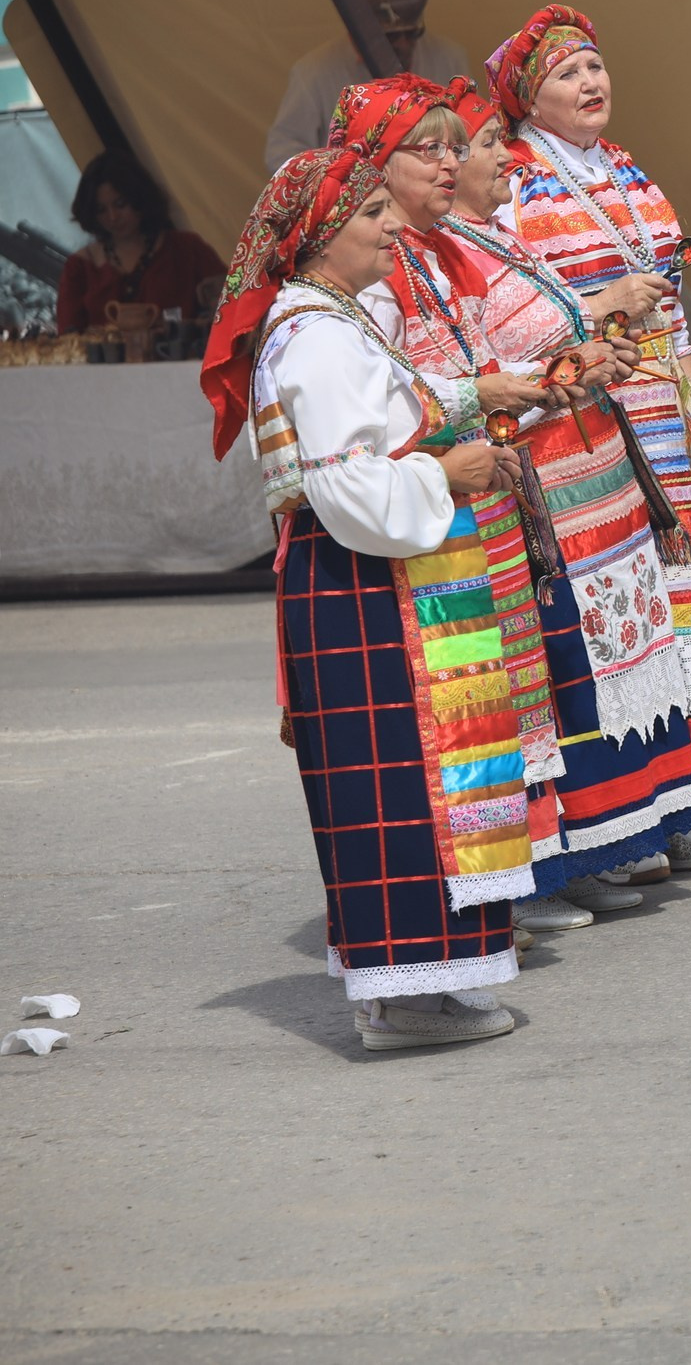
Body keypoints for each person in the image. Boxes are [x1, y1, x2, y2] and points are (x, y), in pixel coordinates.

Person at [334, 76, 691, 930]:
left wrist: (571, 368)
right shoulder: (377, 276)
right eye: (428, 148)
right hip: (448, 494)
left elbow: (488, 358)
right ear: (372, 168)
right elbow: (409, 394)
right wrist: (529, 377)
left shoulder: (455, 244)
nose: (450, 162)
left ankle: (539, 864)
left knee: (519, 684)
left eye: (451, 145)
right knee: (481, 689)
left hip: (502, 476)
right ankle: (506, 882)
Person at [202, 148, 536, 1050]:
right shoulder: (315, 334)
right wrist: (445, 469)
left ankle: (434, 979)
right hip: (362, 576)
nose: (394, 227)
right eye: (372, 215)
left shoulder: (336, 320)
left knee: (419, 776)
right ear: (318, 235)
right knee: (399, 776)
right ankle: (404, 994)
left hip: (378, 569)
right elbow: (345, 482)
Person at [487, 5, 691, 836]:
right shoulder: (519, 180)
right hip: (583, 416)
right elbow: (517, 306)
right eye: (567, 74)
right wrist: (603, 305)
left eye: (595, 66)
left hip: (655, 406)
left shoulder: (623, 165)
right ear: (528, 101)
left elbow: (667, 294)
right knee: (611, 608)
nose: (590, 82)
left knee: (670, 594)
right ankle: (628, 811)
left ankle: (683, 796)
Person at [263, 0, 473, 173]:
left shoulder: (448, 57)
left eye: (411, 33)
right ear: (356, 34)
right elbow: (282, 151)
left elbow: (472, 131)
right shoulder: (315, 71)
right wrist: (337, 180)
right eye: (390, 37)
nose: (403, 43)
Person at [53, 149, 223, 336]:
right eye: (101, 210)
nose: (113, 217)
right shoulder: (80, 268)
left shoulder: (186, 248)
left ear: (140, 199)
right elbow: (68, 336)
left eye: (120, 204)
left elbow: (232, 303)